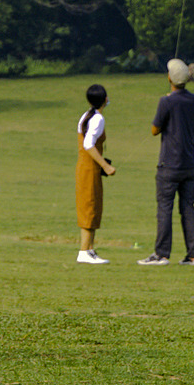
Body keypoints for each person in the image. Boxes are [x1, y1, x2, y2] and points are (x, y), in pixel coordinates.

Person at [139, 57, 194, 266]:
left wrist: (167, 103)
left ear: (170, 78)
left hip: (169, 164)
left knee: (165, 208)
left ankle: (162, 254)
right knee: (188, 207)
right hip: (189, 164)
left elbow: (154, 129)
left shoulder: (166, 101)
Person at [75, 82, 115, 264]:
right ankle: (84, 250)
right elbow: (88, 144)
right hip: (89, 167)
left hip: (87, 167)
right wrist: (105, 166)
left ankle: (90, 249)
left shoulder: (87, 115)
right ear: (105, 99)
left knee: (93, 204)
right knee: (89, 205)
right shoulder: (98, 119)